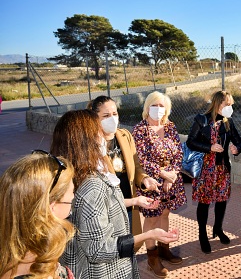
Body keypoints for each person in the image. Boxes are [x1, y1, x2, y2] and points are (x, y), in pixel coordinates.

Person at [52, 110, 179, 279]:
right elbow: (99, 249)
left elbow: (100, 208)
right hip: (105, 272)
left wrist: (135, 200)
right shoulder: (92, 186)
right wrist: (149, 235)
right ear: (85, 140)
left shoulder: (74, 175)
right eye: (97, 131)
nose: (103, 136)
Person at [88, 96, 160, 238]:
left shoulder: (125, 136)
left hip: (129, 205)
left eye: (115, 114)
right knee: (114, 248)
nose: (112, 118)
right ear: (94, 118)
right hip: (108, 209)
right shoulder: (91, 144)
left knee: (130, 244)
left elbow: (136, 166)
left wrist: (145, 179)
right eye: (106, 115)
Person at [133, 91, 187, 277]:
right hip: (151, 183)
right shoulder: (140, 129)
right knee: (152, 218)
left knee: (165, 213)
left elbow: (179, 153)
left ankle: (165, 249)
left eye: (161, 106)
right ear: (147, 107)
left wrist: (170, 176)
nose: (158, 109)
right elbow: (140, 159)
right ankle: (152, 257)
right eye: (154, 105)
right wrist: (162, 173)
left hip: (171, 181)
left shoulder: (170, 126)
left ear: (167, 109)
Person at [186, 90, 241, 254]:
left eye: (231, 104)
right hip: (204, 169)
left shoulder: (228, 122)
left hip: (222, 168)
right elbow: (191, 142)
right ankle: (202, 234)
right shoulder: (201, 120)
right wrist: (209, 148)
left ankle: (218, 229)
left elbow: (239, 142)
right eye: (227, 104)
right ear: (217, 104)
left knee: (221, 200)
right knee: (204, 203)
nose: (230, 107)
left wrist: (236, 149)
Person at [0, 152, 75, 279]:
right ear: (51, 207)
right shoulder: (31, 270)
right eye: (71, 195)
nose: (74, 197)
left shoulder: (26, 253)